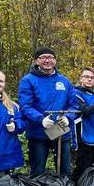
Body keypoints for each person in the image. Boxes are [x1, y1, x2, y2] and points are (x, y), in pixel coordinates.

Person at [18, 47, 76, 177]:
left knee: (65, 169)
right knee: (38, 170)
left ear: (55, 60)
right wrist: (41, 119)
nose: (47, 60)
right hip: (38, 131)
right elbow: (25, 106)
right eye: (43, 57)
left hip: (60, 129)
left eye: (50, 57)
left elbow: (73, 104)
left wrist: (68, 117)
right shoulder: (28, 80)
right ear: (36, 61)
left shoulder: (64, 81)